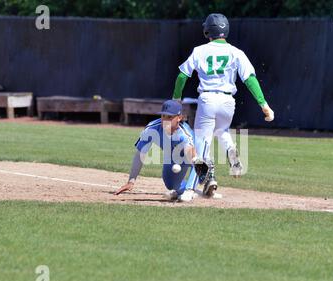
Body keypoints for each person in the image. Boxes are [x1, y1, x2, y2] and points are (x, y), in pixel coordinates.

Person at [172, 13, 275, 197]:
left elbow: (182, 76)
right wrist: (264, 104)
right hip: (228, 101)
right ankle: (226, 156)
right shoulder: (236, 52)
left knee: (201, 143)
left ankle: (189, 189)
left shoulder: (199, 50)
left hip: (208, 99)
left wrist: (176, 100)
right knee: (221, 132)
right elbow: (250, 79)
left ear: (207, 30)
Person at [114, 100, 198, 202]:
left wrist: (191, 188)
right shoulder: (152, 129)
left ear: (179, 118)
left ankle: (199, 183)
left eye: (170, 117)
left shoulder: (184, 134)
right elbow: (140, 154)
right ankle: (183, 190)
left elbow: (194, 158)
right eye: (163, 116)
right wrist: (131, 181)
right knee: (170, 184)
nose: (165, 120)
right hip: (172, 157)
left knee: (200, 165)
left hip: (193, 156)